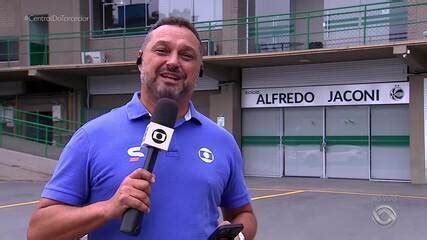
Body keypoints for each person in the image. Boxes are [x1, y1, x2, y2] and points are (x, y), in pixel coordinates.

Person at [28, 17, 257, 240]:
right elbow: (39, 231)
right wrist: (108, 208)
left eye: (186, 55)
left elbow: (243, 214)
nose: (174, 62)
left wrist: (239, 237)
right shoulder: (92, 137)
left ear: (200, 70)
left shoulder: (222, 141)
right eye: (162, 50)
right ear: (140, 61)